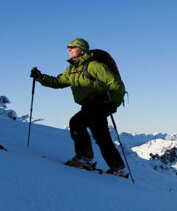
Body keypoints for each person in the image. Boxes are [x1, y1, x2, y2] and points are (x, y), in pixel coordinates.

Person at [30, 38, 126, 176]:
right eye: (68, 47)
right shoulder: (72, 69)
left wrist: (113, 103)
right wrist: (40, 77)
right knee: (101, 137)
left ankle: (84, 158)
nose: (69, 49)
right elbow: (58, 82)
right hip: (88, 106)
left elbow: (115, 83)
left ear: (82, 50)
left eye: (73, 47)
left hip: (100, 104)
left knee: (76, 123)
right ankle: (118, 168)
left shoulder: (94, 66)